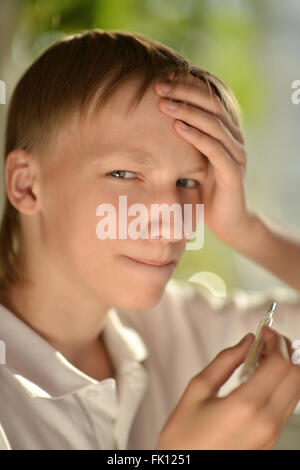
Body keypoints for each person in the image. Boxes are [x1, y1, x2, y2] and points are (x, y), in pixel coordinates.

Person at [0, 28, 300, 450]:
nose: (173, 220)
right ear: (27, 185)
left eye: (187, 181)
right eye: (124, 174)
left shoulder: (178, 325)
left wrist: (247, 230)